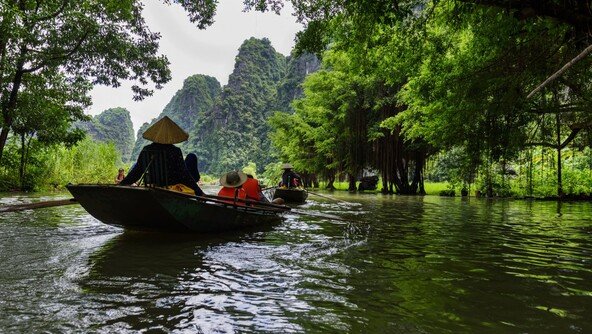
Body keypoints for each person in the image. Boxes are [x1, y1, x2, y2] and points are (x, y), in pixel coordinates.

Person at [120, 116, 204, 196]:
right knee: (191, 157)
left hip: (154, 185)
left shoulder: (146, 149)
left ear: (156, 134)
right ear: (171, 135)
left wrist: (121, 185)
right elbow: (184, 174)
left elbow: (137, 172)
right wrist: (199, 192)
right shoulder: (175, 151)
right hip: (172, 185)